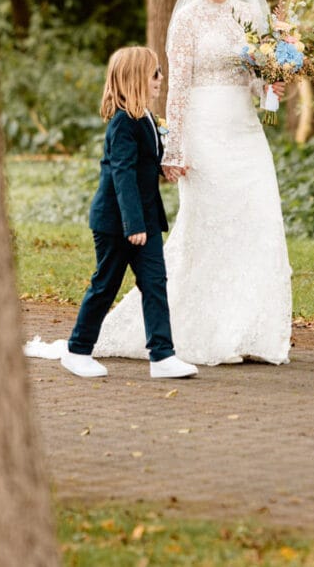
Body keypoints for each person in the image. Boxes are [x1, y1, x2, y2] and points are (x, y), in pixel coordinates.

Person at [89, 0, 292, 366]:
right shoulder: (186, 20)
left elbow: (254, 82)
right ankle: (203, 330)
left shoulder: (251, 16)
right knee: (209, 225)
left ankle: (248, 329)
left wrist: (272, 84)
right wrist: (173, 149)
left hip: (245, 132)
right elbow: (177, 88)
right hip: (203, 134)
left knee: (259, 218)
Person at [52, 45, 198, 379]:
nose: (161, 78)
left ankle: (162, 356)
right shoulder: (122, 123)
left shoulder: (144, 117)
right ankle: (77, 351)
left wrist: (166, 169)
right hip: (117, 222)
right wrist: (133, 223)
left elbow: (143, 162)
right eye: (155, 73)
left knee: (155, 282)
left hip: (142, 218)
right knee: (105, 285)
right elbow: (122, 174)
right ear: (136, 79)